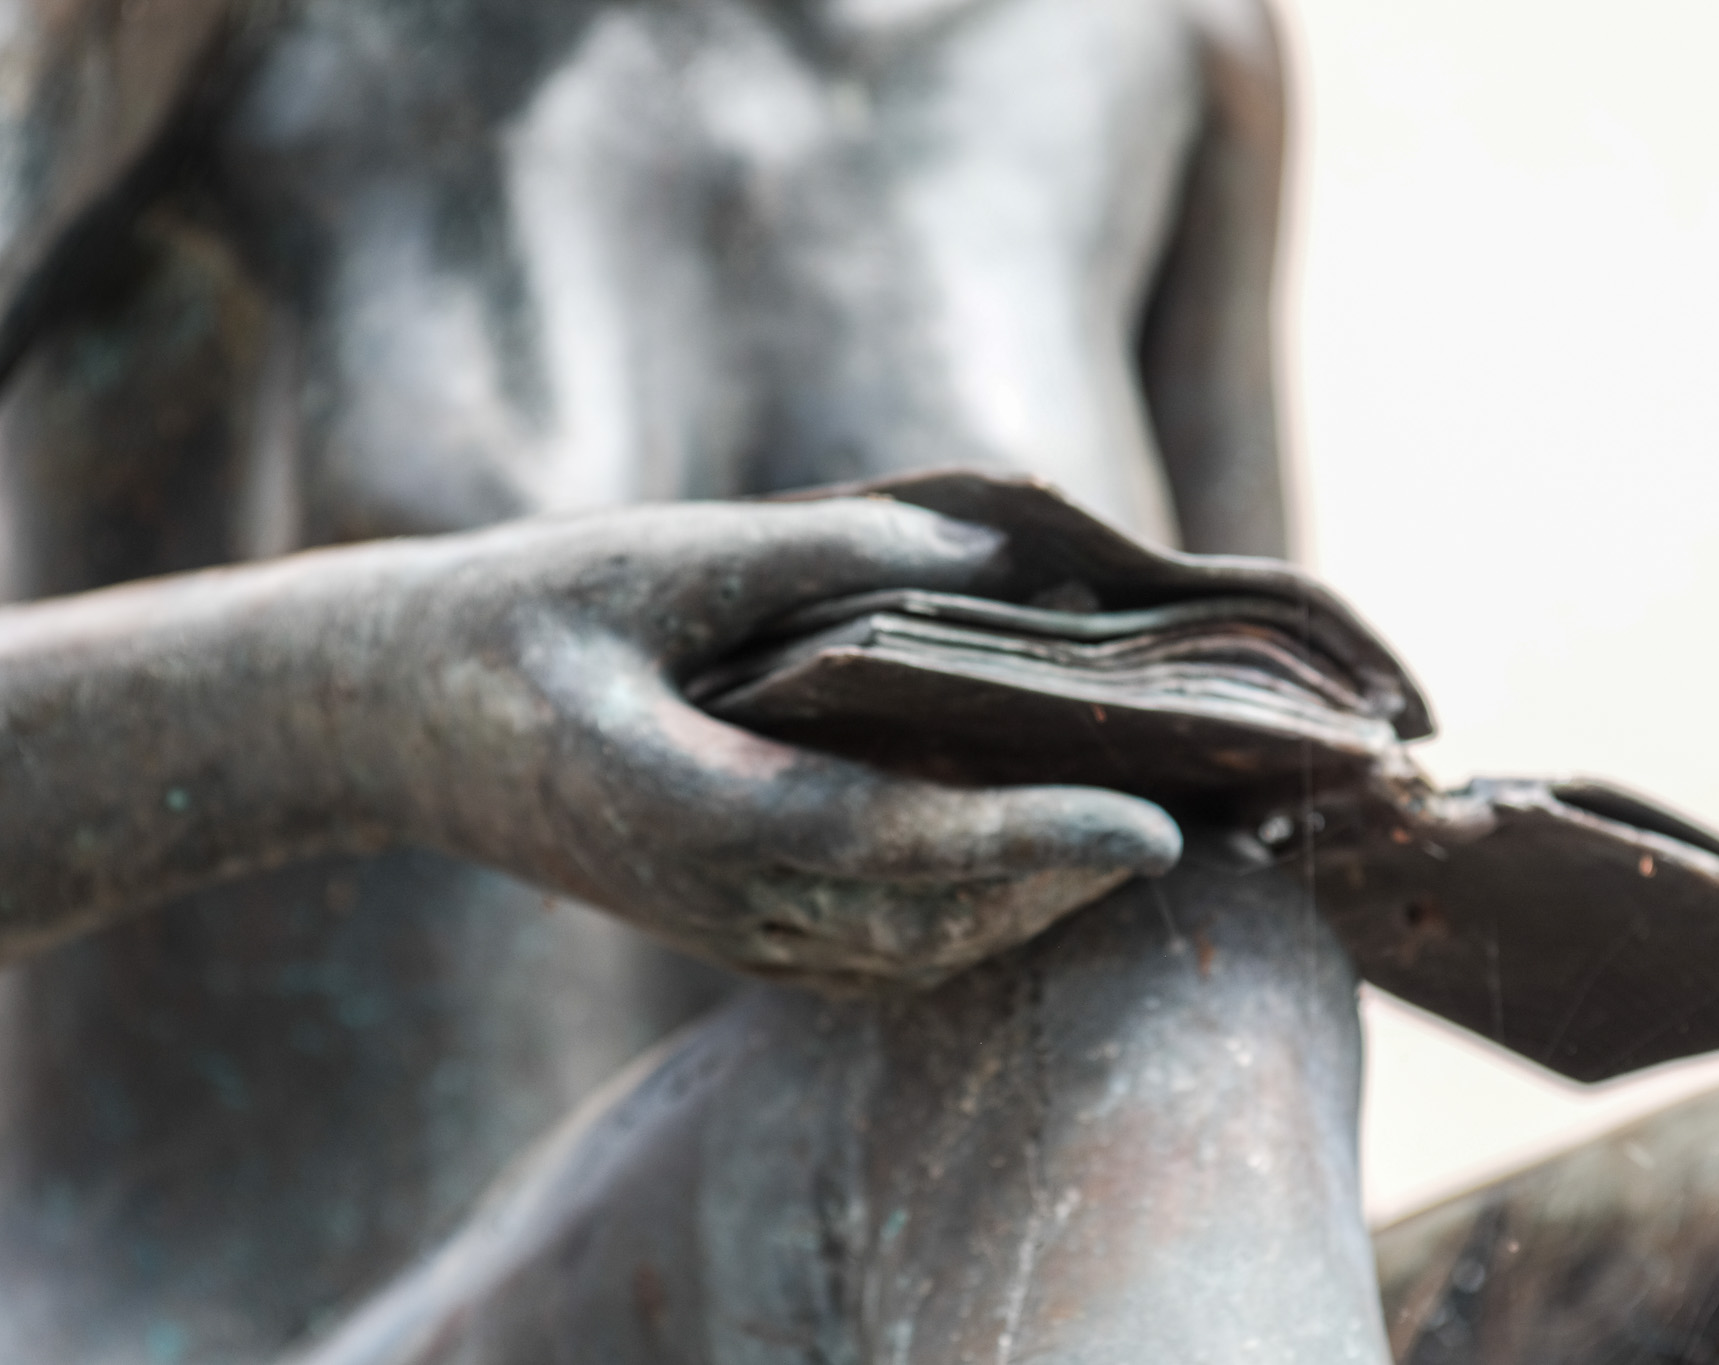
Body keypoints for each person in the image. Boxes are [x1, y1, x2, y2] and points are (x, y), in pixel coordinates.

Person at [0, 1, 1393, 1360]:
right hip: (295, 1331)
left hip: (866, 1290)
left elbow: (1265, 811)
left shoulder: (1157, 45)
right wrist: (391, 705)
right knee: (1162, 985)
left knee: (1215, 959)